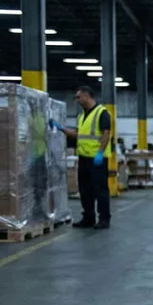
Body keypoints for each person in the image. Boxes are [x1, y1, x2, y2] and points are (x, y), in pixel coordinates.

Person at [50, 86, 112, 230]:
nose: (77, 100)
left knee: (100, 190)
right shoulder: (82, 115)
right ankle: (88, 218)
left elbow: (106, 134)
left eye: (78, 97)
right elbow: (78, 135)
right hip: (83, 158)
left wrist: (100, 153)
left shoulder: (102, 113)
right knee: (85, 190)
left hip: (97, 159)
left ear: (86, 96)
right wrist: (61, 129)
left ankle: (104, 219)